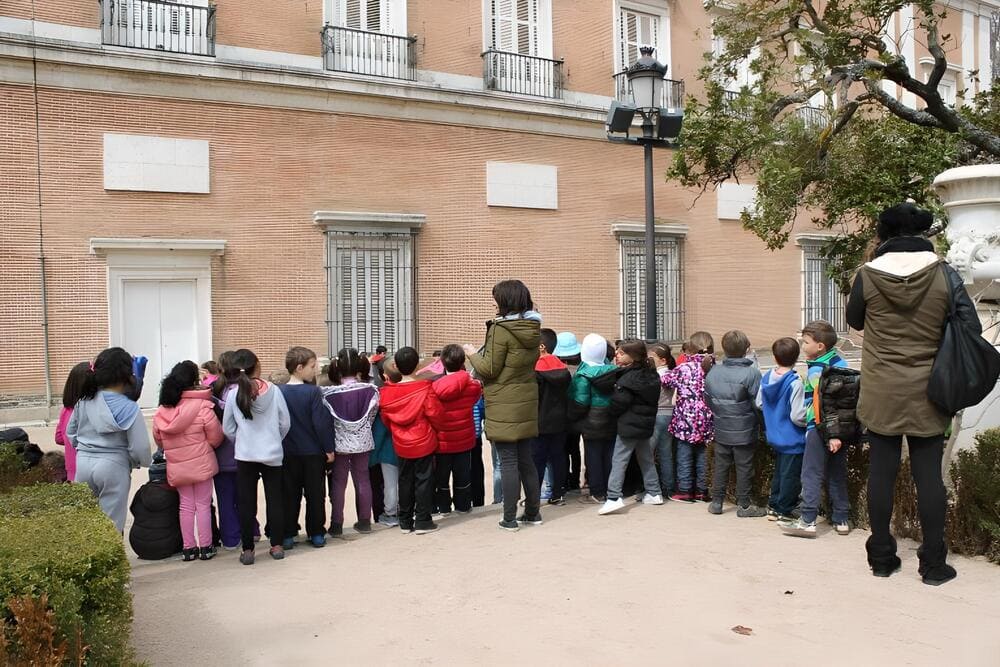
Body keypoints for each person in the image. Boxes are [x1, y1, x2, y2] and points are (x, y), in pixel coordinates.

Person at [846, 203, 977, 585]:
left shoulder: (867, 276)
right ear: (922, 235)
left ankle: (883, 558)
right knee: (929, 478)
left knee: (881, 475)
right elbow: (968, 323)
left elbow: (855, 321)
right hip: (930, 388)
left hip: (881, 388)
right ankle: (934, 565)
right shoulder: (945, 274)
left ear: (884, 235)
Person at [466, 279, 543, 532]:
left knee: (508, 461)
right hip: (525, 399)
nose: (494, 302)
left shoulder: (500, 329)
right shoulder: (533, 326)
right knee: (526, 460)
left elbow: (489, 368)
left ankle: (509, 518)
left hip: (504, 401)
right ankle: (532, 512)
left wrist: (471, 353)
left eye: (496, 298)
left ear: (505, 301)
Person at [66, 347, 152, 532]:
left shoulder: (83, 401)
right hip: (113, 465)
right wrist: (137, 462)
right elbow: (141, 448)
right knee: (111, 525)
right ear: (127, 374)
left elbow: (70, 432)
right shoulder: (130, 408)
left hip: (83, 463)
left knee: (85, 522)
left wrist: (83, 448)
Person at [780, 321, 851, 539]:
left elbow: (822, 404)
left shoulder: (817, 371)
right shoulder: (840, 361)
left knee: (811, 473)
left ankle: (808, 519)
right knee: (836, 473)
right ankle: (841, 518)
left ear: (819, 346)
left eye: (806, 342)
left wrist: (828, 433)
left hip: (820, 428)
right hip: (842, 426)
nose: (802, 345)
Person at [222, 348, 290, 565]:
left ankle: (248, 549)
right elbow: (285, 422)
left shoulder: (233, 394)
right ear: (257, 366)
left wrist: (241, 441)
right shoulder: (274, 390)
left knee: (246, 502)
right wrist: (275, 438)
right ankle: (276, 545)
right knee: (275, 500)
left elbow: (228, 428)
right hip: (272, 453)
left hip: (245, 454)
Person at [153, 361, 225, 561]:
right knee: (203, 504)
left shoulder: (162, 411)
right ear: (194, 381)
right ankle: (206, 546)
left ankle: (188, 549)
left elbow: (159, 440)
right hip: (201, 462)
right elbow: (216, 437)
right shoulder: (203, 406)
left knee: (185, 505)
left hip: (177, 465)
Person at [379, 347, 445, 534]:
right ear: (417, 365)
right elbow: (436, 414)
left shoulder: (387, 392)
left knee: (405, 480)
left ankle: (405, 521)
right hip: (423, 439)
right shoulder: (424, 388)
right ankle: (423, 520)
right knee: (423, 480)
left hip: (400, 441)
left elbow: (386, 419)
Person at [279, 347, 336, 549]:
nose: (316, 370)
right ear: (299, 367)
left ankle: (288, 534)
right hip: (312, 452)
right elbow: (320, 423)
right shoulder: (313, 392)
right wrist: (329, 448)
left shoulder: (279, 392)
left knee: (289, 495)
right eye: (313, 366)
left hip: (287, 452)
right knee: (315, 495)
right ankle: (316, 532)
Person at [599, 340, 664, 515]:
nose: (617, 355)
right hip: (645, 423)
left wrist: (609, 412)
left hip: (628, 425)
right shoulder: (652, 374)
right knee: (646, 458)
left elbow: (620, 403)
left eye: (621, 353)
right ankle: (654, 492)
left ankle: (613, 497)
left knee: (619, 460)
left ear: (632, 356)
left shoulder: (628, 378)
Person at [704, 331, 765, 517]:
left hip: (722, 426)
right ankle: (744, 504)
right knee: (744, 467)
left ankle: (716, 502)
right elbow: (759, 403)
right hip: (745, 429)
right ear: (747, 349)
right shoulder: (752, 373)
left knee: (721, 466)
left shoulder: (714, 372)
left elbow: (708, 399)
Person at [321, 348, 379, 535]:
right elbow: (372, 416)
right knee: (363, 480)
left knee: (338, 483)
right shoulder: (371, 390)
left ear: (336, 367)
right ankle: (364, 521)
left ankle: (336, 524)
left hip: (340, 443)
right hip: (363, 441)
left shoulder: (327, 394)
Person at [756, 337, 807, 522]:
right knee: (790, 476)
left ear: (775, 357)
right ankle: (784, 509)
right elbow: (797, 415)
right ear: (797, 357)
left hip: (775, 434)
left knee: (779, 472)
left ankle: (774, 504)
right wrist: (810, 417)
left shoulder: (767, 377)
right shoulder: (795, 382)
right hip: (793, 437)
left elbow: (759, 403)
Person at [210, 350, 257, 549]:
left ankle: (230, 539)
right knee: (247, 497)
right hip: (246, 453)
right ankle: (252, 531)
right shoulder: (250, 390)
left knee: (225, 500)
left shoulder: (212, 393)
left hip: (221, 455)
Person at [662, 332, 715, 503]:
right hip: (706, 416)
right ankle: (702, 490)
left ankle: (685, 490)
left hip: (686, 417)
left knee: (684, 453)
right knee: (702, 454)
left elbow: (665, 380)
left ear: (689, 349)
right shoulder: (713, 367)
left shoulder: (684, 368)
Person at [431, 345, 483, 514]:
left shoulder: (433, 387)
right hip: (465, 438)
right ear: (462, 361)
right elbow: (476, 397)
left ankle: (444, 507)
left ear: (443, 363)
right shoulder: (473, 386)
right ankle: (463, 506)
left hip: (442, 439)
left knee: (442, 478)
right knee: (463, 476)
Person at [568, 334, 619, 504]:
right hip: (611, 418)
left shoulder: (583, 375)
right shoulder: (614, 371)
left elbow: (580, 402)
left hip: (591, 421)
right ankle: (612, 490)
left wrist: (572, 417)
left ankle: (597, 492)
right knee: (610, 455)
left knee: (593, 456)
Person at [532, 328, 572, 506]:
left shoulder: (536, 369)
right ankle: (558, 494)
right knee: (558, 457)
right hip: (560, 421)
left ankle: (533, 497)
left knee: (537, 460)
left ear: (541, 346)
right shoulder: (563, 369)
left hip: (539, 421)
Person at [128, 451, 183, 560]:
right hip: (164, 547)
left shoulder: (142, 491)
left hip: (138, 546)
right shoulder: (174, 494)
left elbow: (133, 509)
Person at [553, 331, 583, 493]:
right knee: (575, 449)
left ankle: (563, 480)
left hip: (561, 417)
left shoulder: (557, 370)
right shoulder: (581, 369)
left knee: (562, 451)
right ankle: (576, 480)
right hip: (577, 417)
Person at [648, 343, 676, 497]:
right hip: (669, 414)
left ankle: (651, 488)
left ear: (663, 360)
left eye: (651, 358)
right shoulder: (671, 374)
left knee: (648, 453)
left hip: (656, 414)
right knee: (666, 453)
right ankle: (669, 487)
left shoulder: (655, 376)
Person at [55, 361, 90, 482]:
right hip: (90, 469)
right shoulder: (91, 411)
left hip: (72, 470)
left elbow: (59, 438)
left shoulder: (66, 410)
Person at [471, 394, 487, 507]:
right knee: (476, 471)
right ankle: (478, 503)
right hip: (474, 437)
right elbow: (482, 411)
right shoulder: (472, 390)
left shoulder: (440, 388)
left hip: (449, 439)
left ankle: (461, 503)